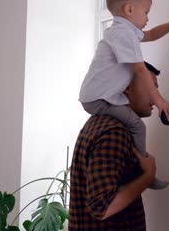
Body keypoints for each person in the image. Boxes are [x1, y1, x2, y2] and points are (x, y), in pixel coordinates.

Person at [79, 0, 169, 189]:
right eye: (146, 12)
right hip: (98, 99)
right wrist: (159, 101)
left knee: (132, 125)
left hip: (96, 96)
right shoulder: (122, 34)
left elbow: (150, 35)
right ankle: (143, 170)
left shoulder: (125, 32)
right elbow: (140, 70)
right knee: (137, 125)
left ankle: (135, 167)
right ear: (129, 9)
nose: (148, 19)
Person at [69, 62, 162, 230]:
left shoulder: (104, 122)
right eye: (152, 88)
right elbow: (102, 207)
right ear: (126, 87)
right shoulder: (114, 133)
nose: (157, 98)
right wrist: (148, 177)